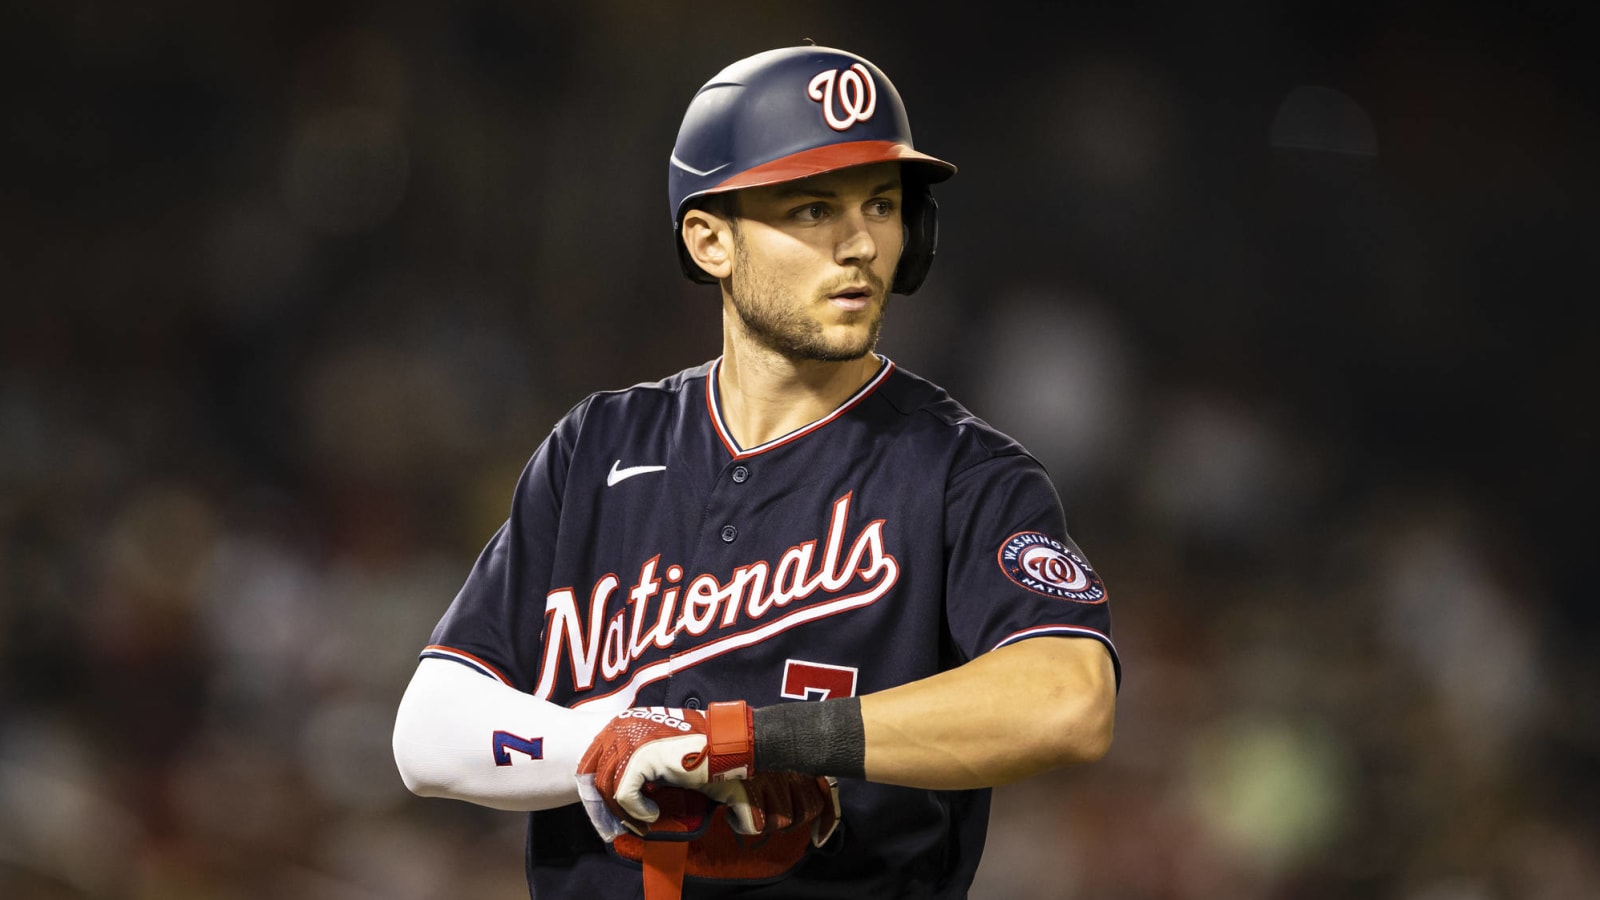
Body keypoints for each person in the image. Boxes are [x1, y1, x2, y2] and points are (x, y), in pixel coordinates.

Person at [392, 44, 1120, 899]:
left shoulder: (965, 473)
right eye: (812, 210)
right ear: (710, 240)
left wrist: (756, 738)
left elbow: (1070, 699)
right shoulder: (599, 446)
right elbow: (428, 731)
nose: (858, 245)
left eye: (882, 205)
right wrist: (607, 745)